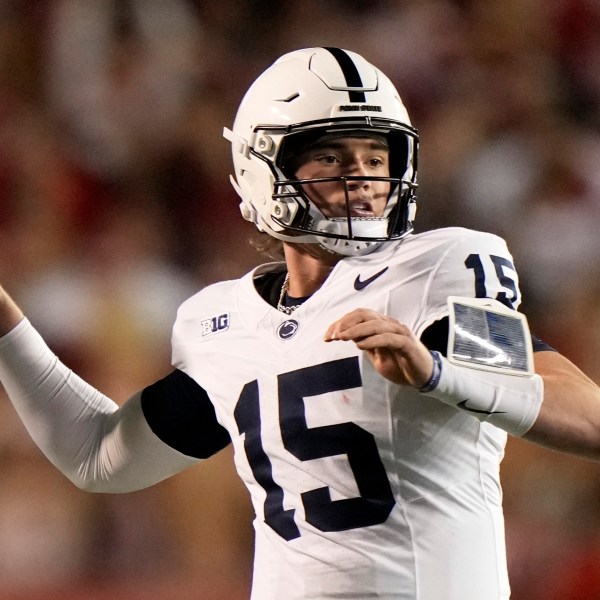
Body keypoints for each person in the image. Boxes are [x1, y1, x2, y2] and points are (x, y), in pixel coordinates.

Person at [0, 47, 599, 600]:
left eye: (376, 156)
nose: (361, 178)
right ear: (265, 167)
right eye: (331, 156)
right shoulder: (225, 324)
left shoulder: (430, 277)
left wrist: (438, 373)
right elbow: (99, 457)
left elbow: (586, 416)